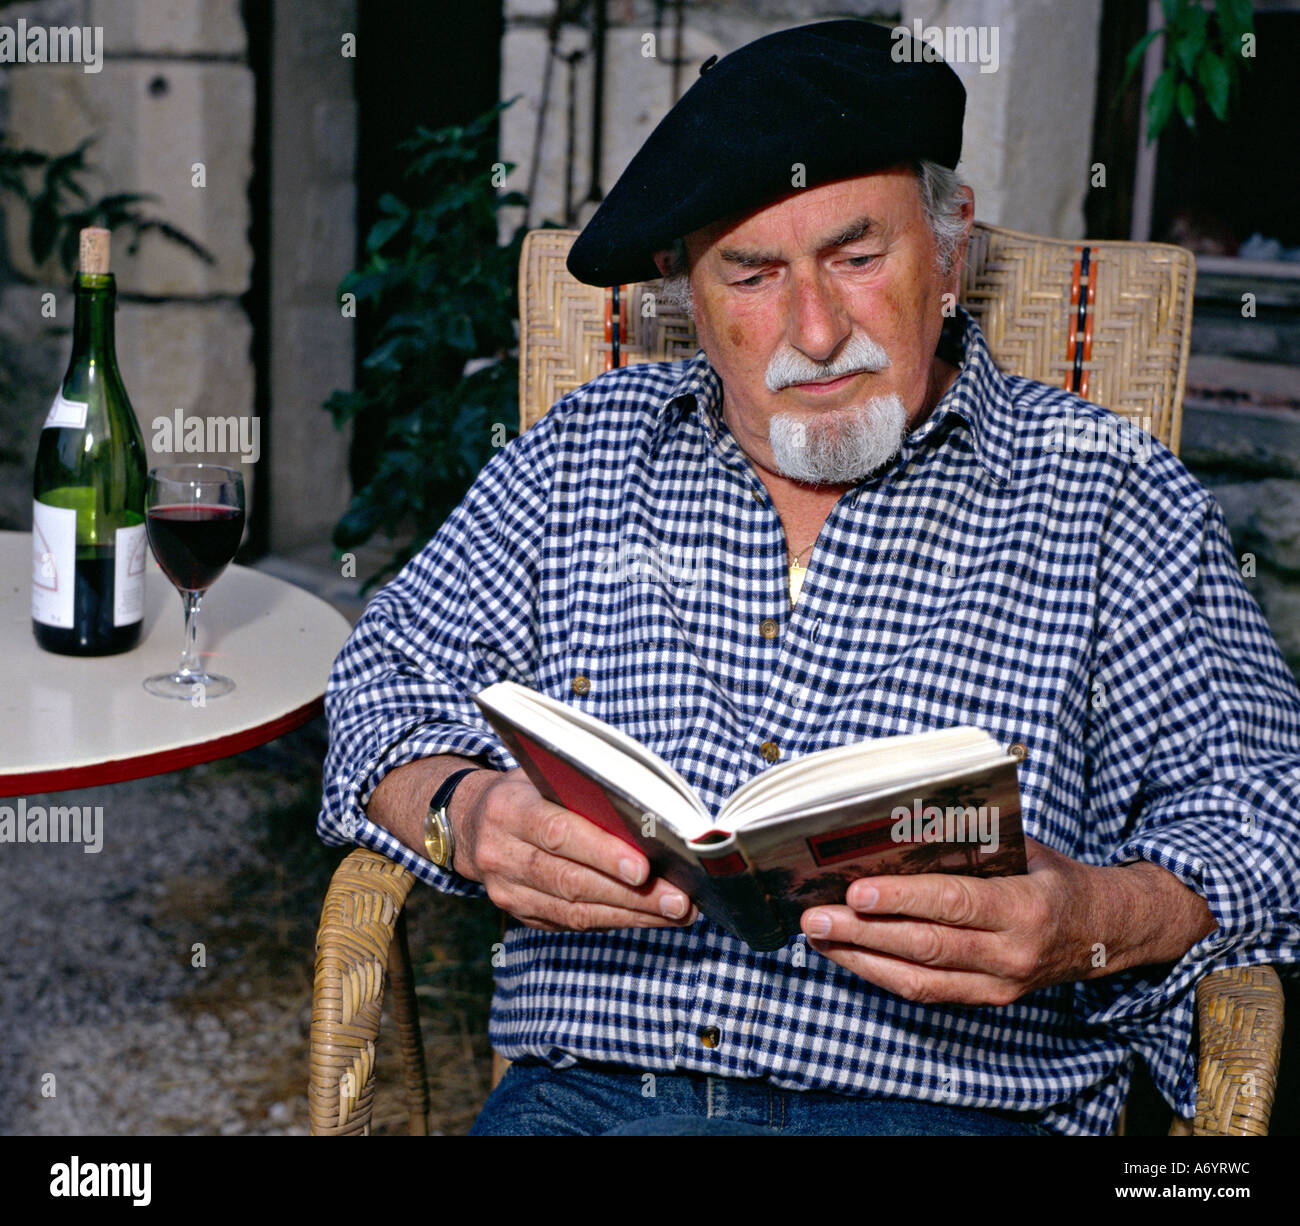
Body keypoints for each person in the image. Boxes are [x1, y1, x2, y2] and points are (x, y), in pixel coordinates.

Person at [316, 20, 1300, 1136]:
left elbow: (1273, 805)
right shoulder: (583, 450)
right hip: (590, 1100)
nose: (818, 330)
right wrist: (465, 810)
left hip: (944, 1106)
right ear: (686, 288)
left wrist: (1090, 915)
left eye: (856, 255)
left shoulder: (1108, 489)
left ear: (950, 246)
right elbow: (378, 682)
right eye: (752, 272)